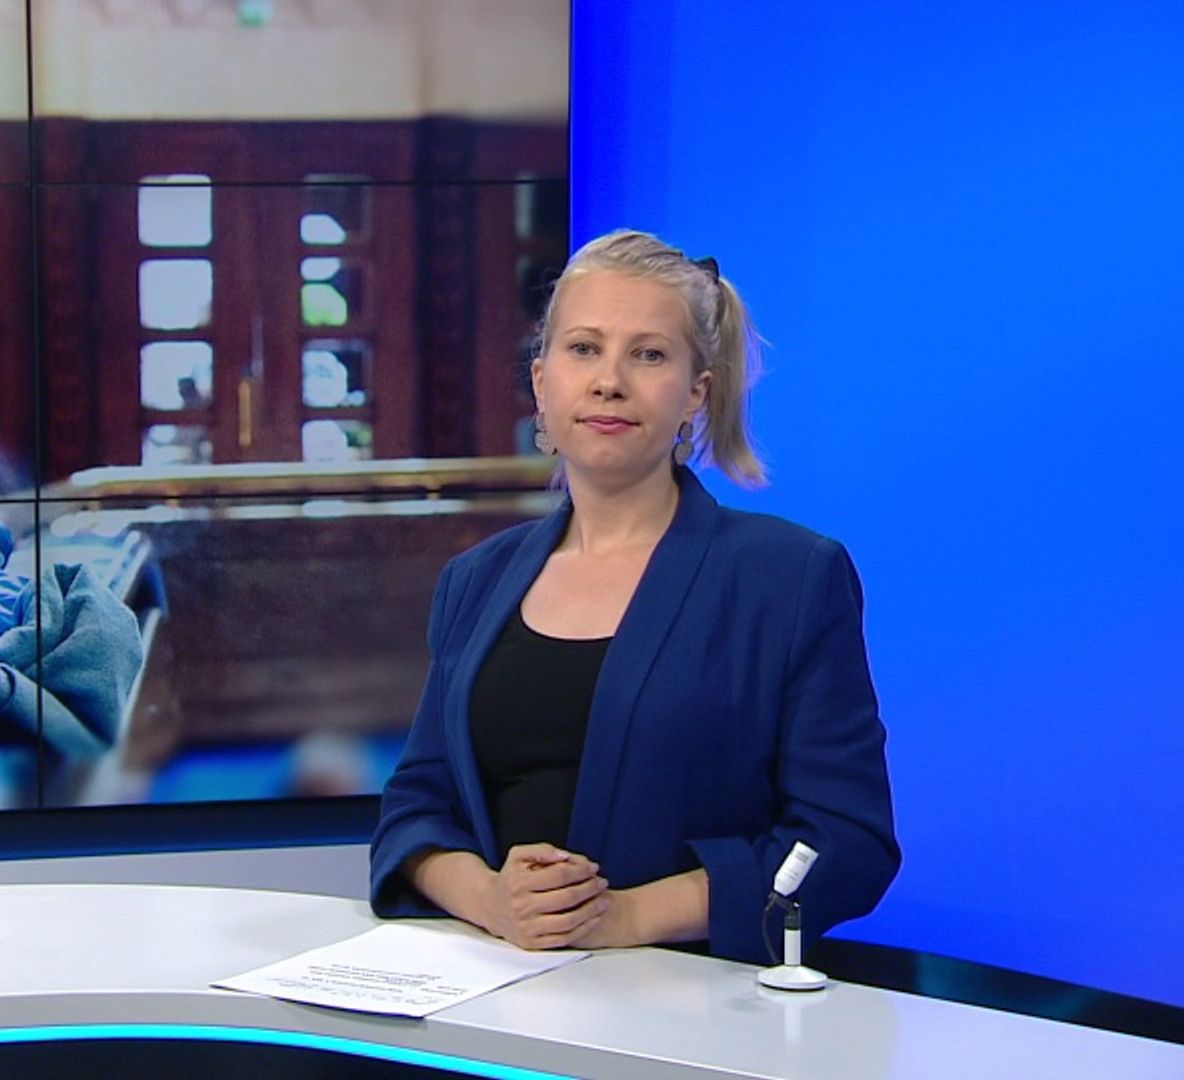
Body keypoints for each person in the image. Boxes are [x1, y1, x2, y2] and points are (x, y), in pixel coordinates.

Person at [369, 230, 898, 964]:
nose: (608, 380)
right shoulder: (475, 580)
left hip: (695, 1007)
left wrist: (624, 915)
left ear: (695, 394)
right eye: (583, 349)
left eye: (648, 355)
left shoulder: (792, 577)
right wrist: (492, 900)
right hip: (495, 998)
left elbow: (846, 841)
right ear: (542, 383)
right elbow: (415, 807)